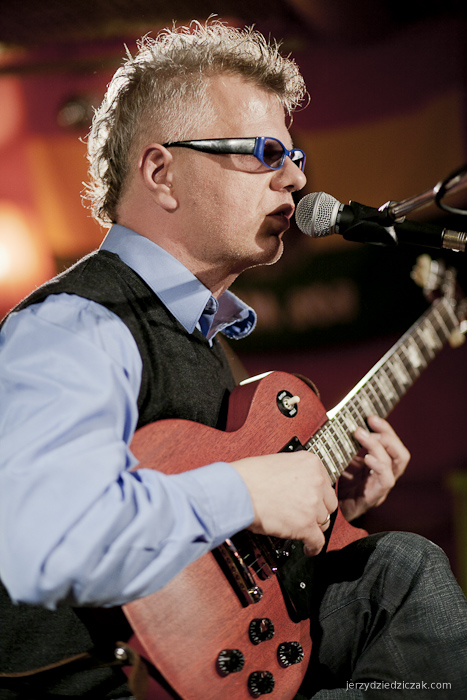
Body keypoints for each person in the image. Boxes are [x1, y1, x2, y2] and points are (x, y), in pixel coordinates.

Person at [0, 20, 466, 700]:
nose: (297, 177)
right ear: (162, 173)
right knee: (402, 571)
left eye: (293, 155)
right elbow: (39, 543)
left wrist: (317, 506)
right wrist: (247, 491)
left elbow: (207, 553)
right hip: (94, 684)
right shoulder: (75, 325)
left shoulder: (207, 343)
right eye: (265, 152)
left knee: (396, 568)